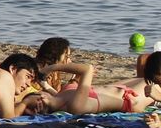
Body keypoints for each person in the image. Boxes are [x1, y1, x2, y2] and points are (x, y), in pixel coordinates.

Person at [27, 52, 161, 115]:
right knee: (151, 75)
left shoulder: (60, 98)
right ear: (44, 100)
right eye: (39, 97)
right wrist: (51, 68)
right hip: (130, 100)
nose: (41, 94)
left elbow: (59, 97)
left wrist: (45, 85)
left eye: (38, 93)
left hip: (118, 89)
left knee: (145, 62)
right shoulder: (76, 106)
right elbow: (87, 69)